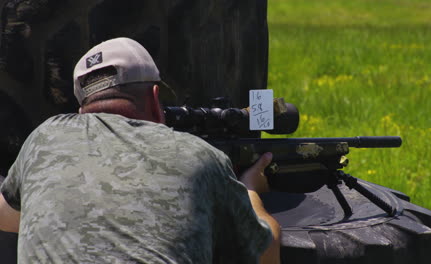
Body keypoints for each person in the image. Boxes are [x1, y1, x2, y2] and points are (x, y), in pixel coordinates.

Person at [0, 37, 280, 263]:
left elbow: (8, 214)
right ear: (155, 99)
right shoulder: (200, 157)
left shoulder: (44, 138)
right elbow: (264, 252)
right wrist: (250, 190)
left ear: (82, 108)